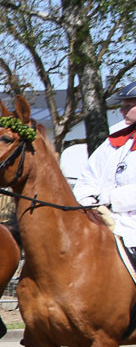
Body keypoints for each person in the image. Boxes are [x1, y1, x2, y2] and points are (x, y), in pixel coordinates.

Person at [74, 80, 136, 249]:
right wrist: (88, 202)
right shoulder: (113, 143)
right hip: (101, 221)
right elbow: (87, 178)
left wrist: (107, 199)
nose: (122, 111)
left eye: (128, 106)